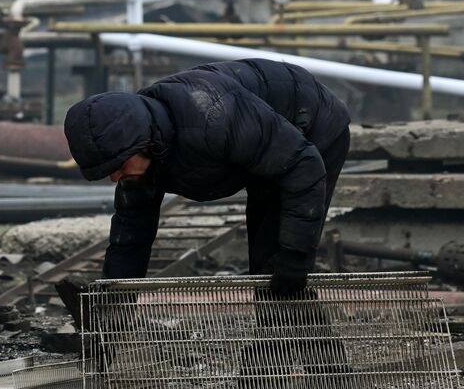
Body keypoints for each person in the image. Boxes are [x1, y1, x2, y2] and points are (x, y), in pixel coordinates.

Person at [63, 58, 351, 294]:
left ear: (144, 143)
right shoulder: (139, 152)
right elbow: (130, 238)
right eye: (107, 172)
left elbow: (304, 165)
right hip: (263, 138)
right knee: (271, 267)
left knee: (277, 266)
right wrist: (110, 320)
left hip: (310, 126)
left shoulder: (213, 117)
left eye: (118, 166)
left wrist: (295, 256)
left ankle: (285, 361)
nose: (115, 177)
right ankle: (295, 360)